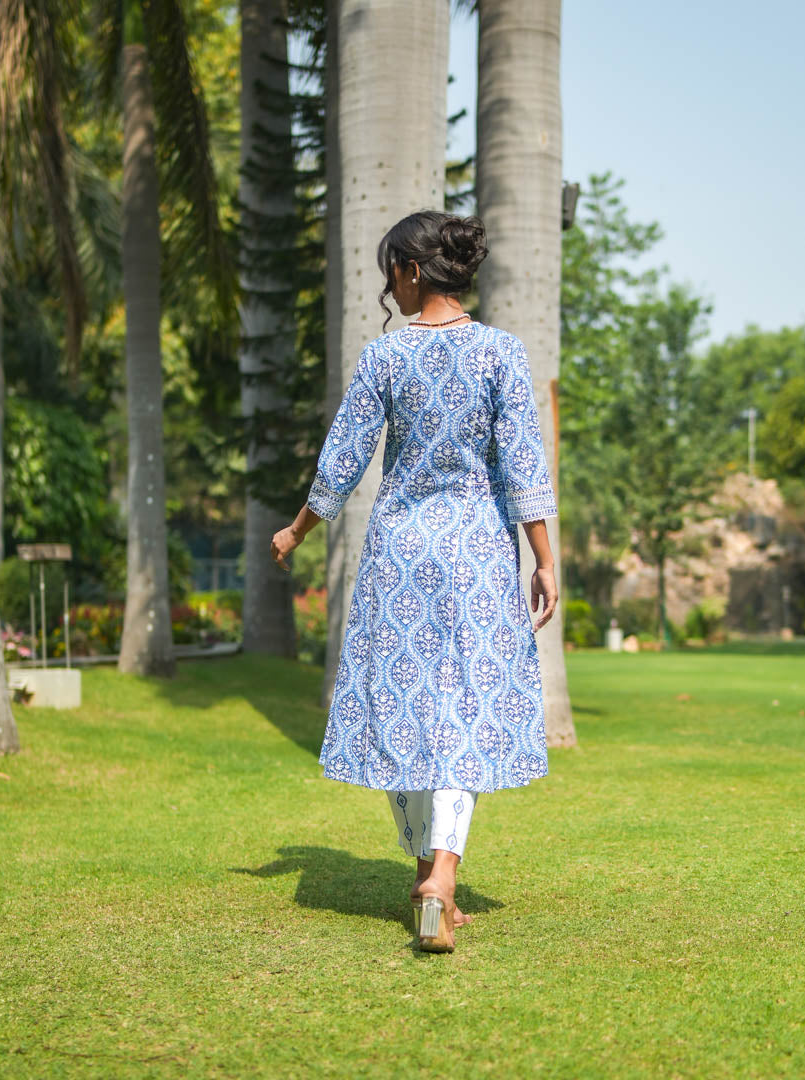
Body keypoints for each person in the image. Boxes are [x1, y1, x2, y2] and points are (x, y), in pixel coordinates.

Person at [270, 210, 558, 953]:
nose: (385, 286)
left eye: (387, 271)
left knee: (401, 705)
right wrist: (545, 558)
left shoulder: (385, 359)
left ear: (411, 270)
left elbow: (343, 458)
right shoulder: (501, 353)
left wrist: (297, 529)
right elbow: (523, 461)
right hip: (473, 552)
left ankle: (427, 869)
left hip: (400, 551)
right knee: (461, 708)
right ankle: (444, 876)